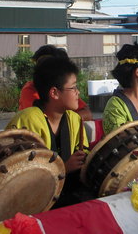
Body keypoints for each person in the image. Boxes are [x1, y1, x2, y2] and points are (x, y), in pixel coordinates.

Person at [6, 56, 90, 207]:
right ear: (54, 93)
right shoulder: (27, 120)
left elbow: (84, 150)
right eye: (73, 87)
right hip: (34, 199)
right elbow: (17, 172)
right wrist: (64, 167)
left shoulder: (74, 119)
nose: (78, 92)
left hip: (67, 192)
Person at [19, 45, 93, 121]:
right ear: (54, 92)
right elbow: (37, 119)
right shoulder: (30, 90)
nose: (78, 91)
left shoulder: (65, 89)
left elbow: (87, 113)